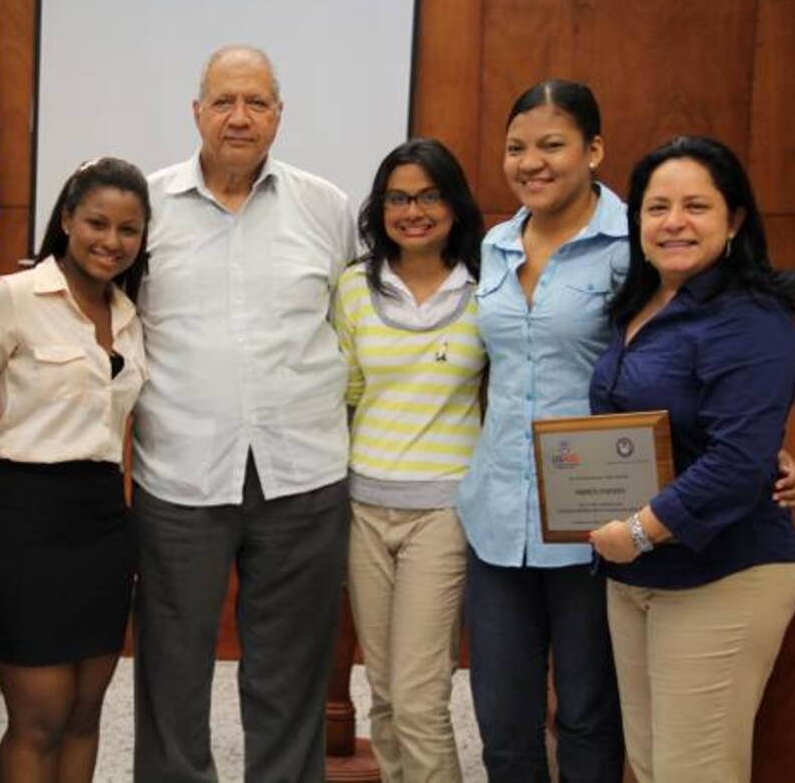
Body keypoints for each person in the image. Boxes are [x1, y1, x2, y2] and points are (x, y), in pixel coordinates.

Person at [133, 45, 358, 783]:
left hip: (304, 473)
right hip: (181, 474)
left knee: (291, 670)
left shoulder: (325, 206)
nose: (240, 117)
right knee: (172, 666)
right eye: (224, 101)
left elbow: (353, 324)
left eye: (257, 103)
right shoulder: (146, 205)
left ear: (279, 116)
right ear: (196, 111)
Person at [589, 136, 795, 783]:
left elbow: (737, 463)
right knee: (653, 767)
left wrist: (636, 531)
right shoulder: (639, 306)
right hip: (638, 573)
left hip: (723, 573)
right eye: (656, 207)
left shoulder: (752, 317)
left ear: (734, 219)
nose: (673, 221)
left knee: (695, 772)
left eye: (696, 206)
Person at [455, 79, 628, 782]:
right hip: (498, 514)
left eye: (552, 145)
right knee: (501, 717)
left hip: (597, 518)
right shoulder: (495, 246)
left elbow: (682, 356)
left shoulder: (631, 245)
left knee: (588, 713)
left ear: (593, 149)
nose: (532, 162)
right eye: (516, 148)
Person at [0, 157, 150, 783]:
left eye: (128, 230)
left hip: (104, 520)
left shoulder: (130, 314)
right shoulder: (12, 299)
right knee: (38, 718)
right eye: (97, 223)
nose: (111, 240)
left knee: (84, 711)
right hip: (27, 517)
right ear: (68, 220)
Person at [335, 138, 486, 783]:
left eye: (429, 195)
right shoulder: (353, 288)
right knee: (386, 692)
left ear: (453, 204)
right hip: (364, 507)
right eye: (398, 198)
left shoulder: (489, 288)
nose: (413, 211)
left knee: (421, 699)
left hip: (444, 515)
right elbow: (348, 394)